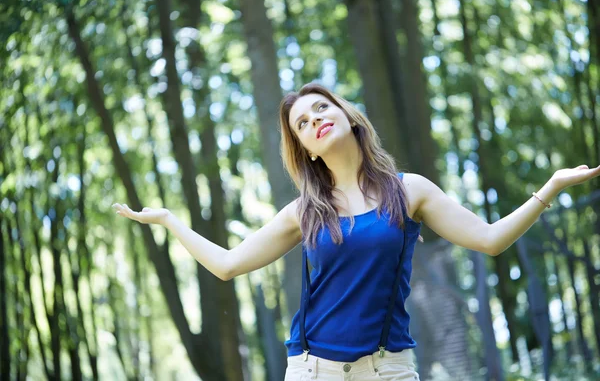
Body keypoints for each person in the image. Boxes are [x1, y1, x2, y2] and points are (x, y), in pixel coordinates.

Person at [112, 82, 600, 380]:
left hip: (389, 370)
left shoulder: (410, 192)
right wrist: (169, 220)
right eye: (302, 123)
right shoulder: (302, 212)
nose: (315, 120)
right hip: (312, 371)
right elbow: (226, 265)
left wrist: (551, 187)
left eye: (321, 109)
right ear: (305, 149)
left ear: (345, 114)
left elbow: (491, 240)